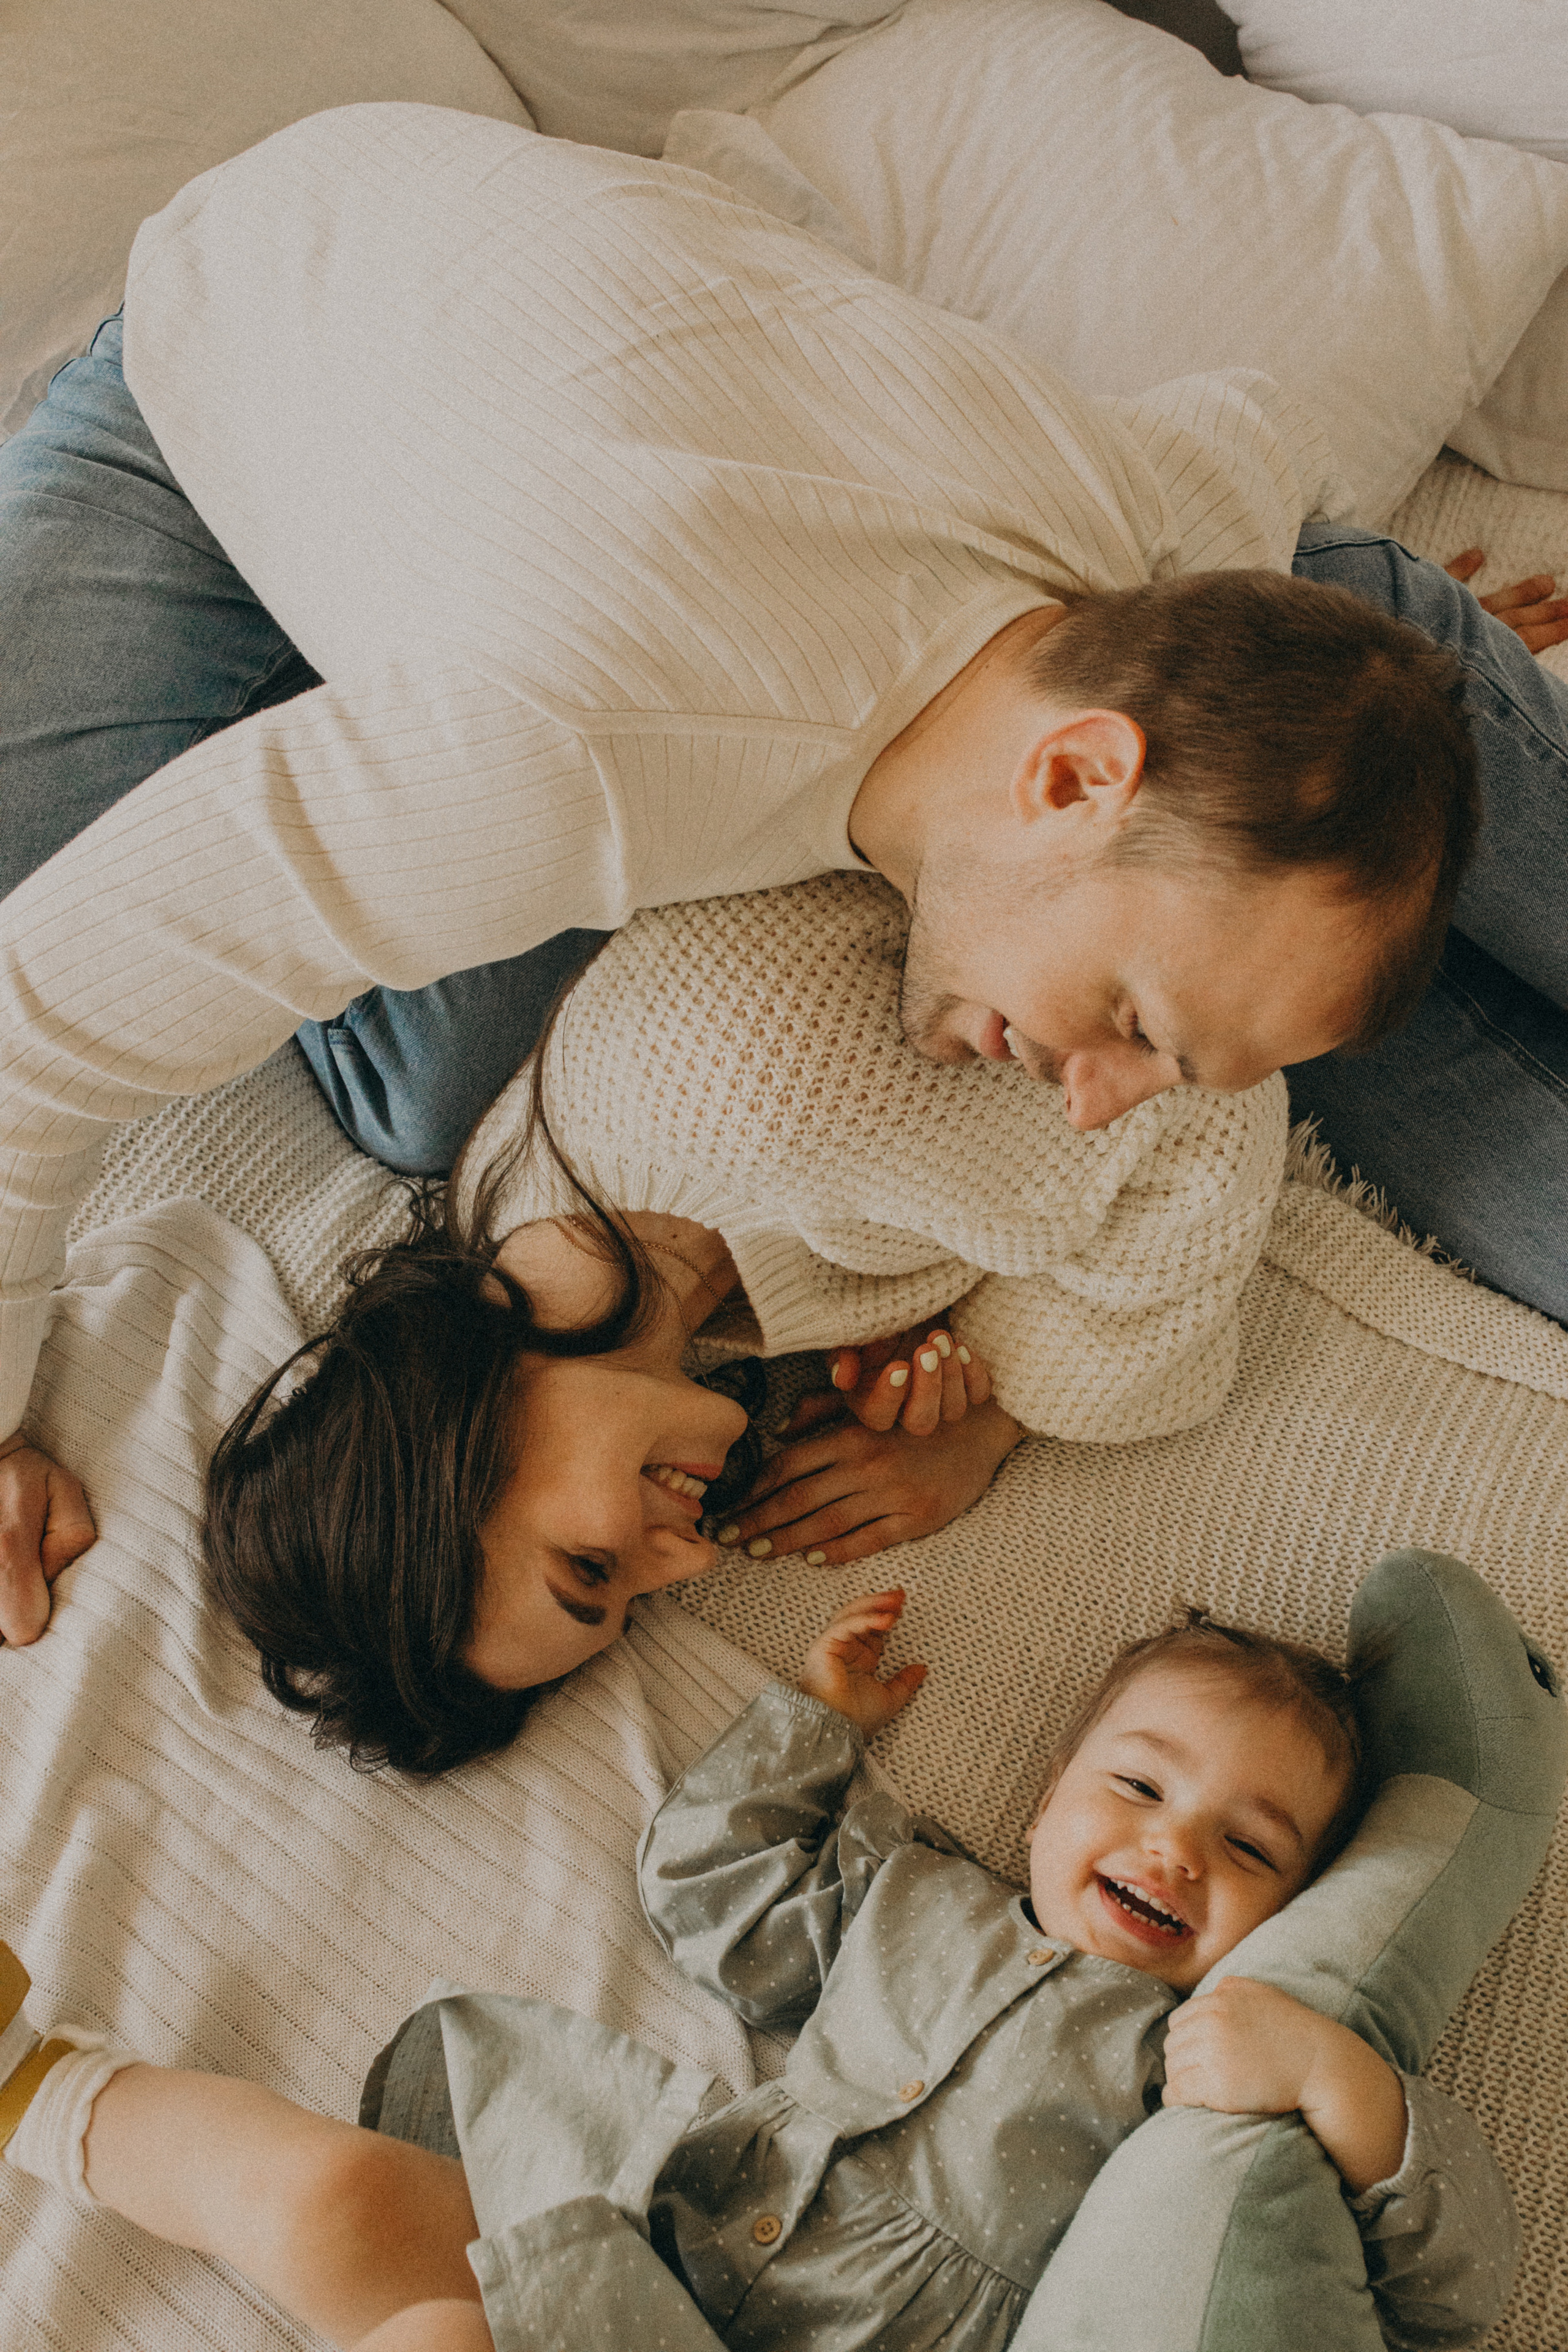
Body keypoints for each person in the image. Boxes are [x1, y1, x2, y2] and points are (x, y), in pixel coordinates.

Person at [0, 102, 1552, 1637]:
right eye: (1134, 1030)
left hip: (609, 418)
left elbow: (1255, 435)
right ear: (1075, 776)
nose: (1092, 1104)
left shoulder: (1136, 524)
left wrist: (1361, 700)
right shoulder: (555, 759)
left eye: (1141, 1035)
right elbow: (37, 1020)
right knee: (372, 1050)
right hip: (227, 355)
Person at [0, 1593, 1517, 2352]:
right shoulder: (915, 1893)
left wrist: (1340, 2082)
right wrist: (816, 1724)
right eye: (1137, 1786)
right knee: (345, 2207)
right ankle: (42, 2088)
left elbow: (1453, 2290)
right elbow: (707, 1891)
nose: (1173, 1848)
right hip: (646, 2238)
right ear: (1048, 1801)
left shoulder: (1199, 2069)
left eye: (1246, 1848)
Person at [197, 866, 1291, 1774]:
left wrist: (996, 1406)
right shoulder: (526, 1215)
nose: (687, 1564)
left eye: (591, 1568)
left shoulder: (790, 1119)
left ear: (455, 1424)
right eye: (630, 1602)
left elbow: (1213, 1110)